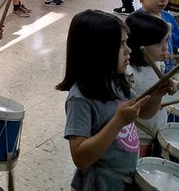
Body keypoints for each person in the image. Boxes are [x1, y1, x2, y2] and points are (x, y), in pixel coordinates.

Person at [57, 10, 169, 190]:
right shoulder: (80, 98)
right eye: (121, 44)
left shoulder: (116, 81)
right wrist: (118, 121)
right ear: (98, 51)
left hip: (123, 180)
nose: (129, 50)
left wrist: (157, 95)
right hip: (98, 183)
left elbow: (144, 112)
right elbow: (80, 158)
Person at [125, 12, 179, 155]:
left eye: (166, 41)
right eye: (159, 43)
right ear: (139, 43)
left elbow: (164, 85)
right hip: (138, 137)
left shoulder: (157, 64)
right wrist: (157, 95)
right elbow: (140, 111)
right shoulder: (129, 74)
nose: (165, 48)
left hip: (156, 129)